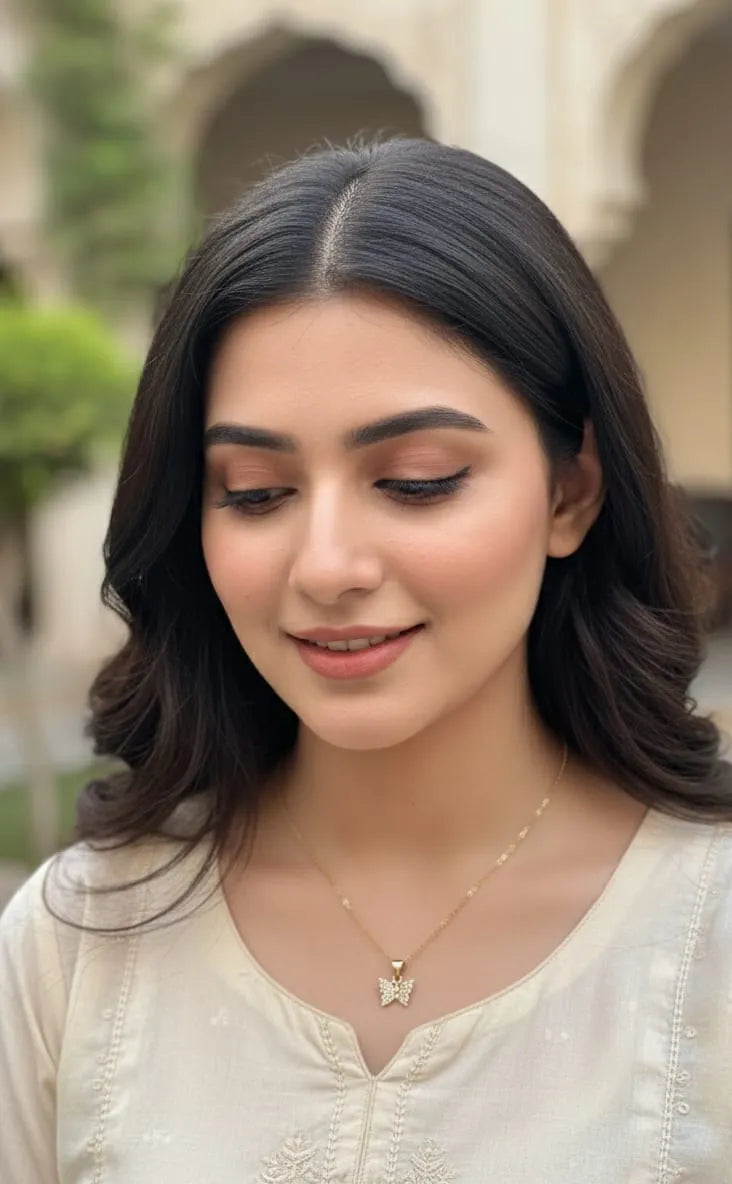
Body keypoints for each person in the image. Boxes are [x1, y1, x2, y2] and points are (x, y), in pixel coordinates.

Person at [1, 136, 730, 1183]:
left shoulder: (708, 937)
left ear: (571, 491)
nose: (327, 564)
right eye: (255, 491)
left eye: (419, 479)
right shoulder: (78, 946)